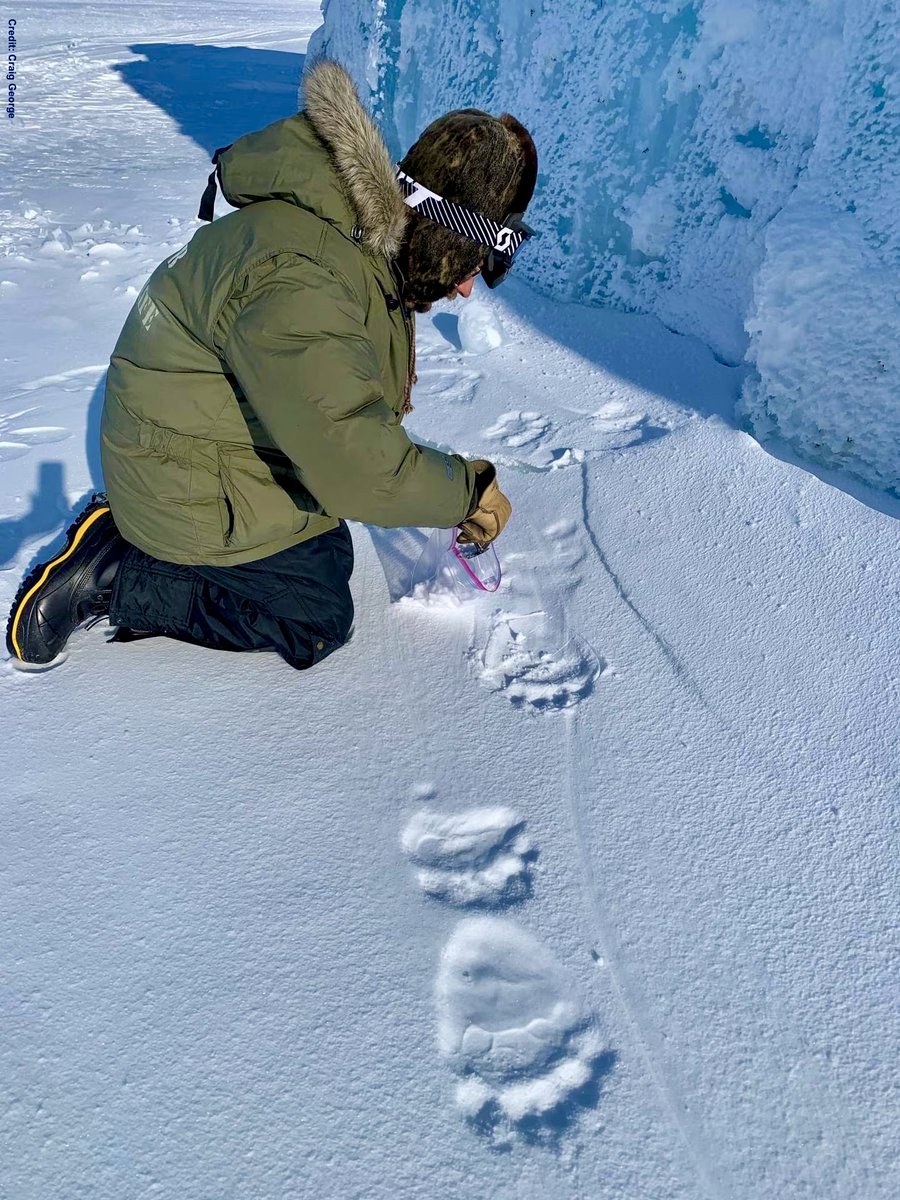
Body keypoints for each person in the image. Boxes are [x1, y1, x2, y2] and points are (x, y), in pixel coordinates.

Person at [5, 59, 538, 670]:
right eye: (475, 265)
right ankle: (115, 567)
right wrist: (463, 490)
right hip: (174, 477)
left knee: (325, 547)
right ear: (448, 238)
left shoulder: (351, 240)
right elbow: (354, 466)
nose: (469, 290)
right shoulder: (308, 277)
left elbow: (341, 413)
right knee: (313, 618)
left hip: (194, 443)